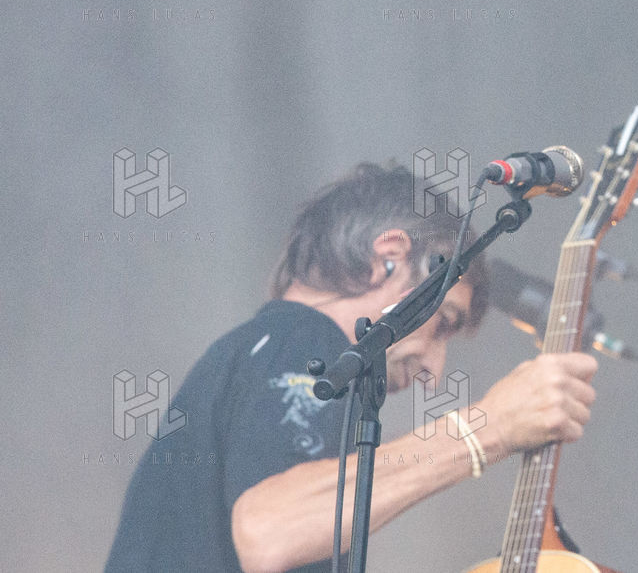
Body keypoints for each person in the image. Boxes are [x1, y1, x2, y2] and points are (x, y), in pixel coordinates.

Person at [106, 162, 598, 573]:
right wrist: (492, 427)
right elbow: (269, 531)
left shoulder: (260, 349)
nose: (434, 370)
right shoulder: (303, 338)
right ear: (389, 257)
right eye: (443, 322)